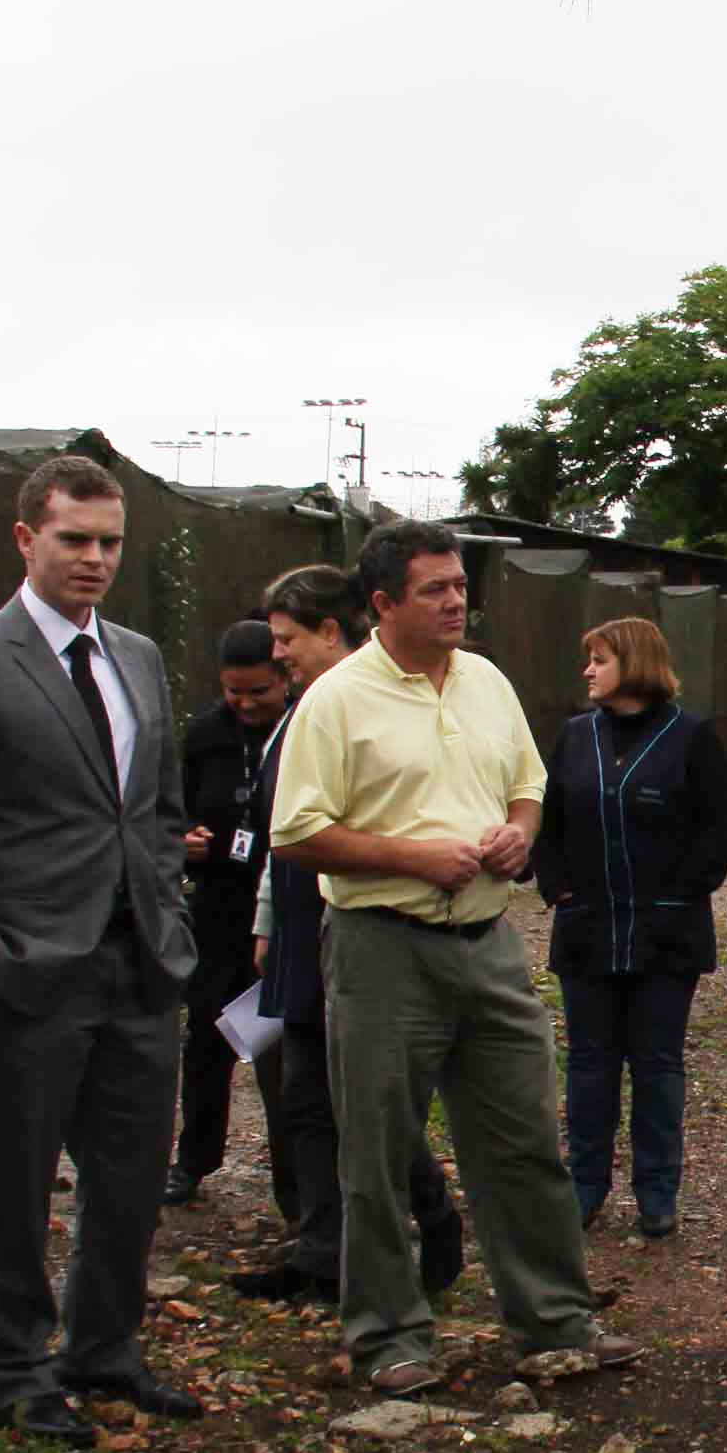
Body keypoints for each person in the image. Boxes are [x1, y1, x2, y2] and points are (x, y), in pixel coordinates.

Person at [268, 520, 637, 1397]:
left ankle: (554, 1321)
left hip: (487, 944)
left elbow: (527, 781)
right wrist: (413, 857)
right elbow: (297, 833)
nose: (456, 602)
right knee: (378, 1148)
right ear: (383, 604)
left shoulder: (485, 683)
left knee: (520, 1139)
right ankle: (391, 1337)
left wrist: (520, 833)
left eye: (461, 586)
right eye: (434, 589)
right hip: (380, 947)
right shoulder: (338, 699)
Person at [0, 455, 200, 1449]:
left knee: (130, 1171)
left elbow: (157, 809)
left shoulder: (135, 656)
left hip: (137, 958)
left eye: (110, 542)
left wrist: (166, 909)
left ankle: (104, 1348)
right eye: (74, 539)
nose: (93, 559)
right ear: (25, 538)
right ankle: (12, 1362)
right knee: (16, 1175)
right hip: (25, 966)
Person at [228, 565, 467, 1305]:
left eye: (289, 639)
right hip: (301, 929)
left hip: (353, 928)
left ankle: (426, 1221)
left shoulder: (362, 711)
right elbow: (281, 831)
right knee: (308, 1097)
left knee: (361, 1097)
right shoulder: (300, 714)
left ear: (333, 631)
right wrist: (270, 917)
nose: (280, 656)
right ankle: (324, 1245)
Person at [534, 616, 727, 1240]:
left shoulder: (692, 737)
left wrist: (682, 891)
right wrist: (558, 885)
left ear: (635, 662)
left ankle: (657, 1192)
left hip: (664, 935)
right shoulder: (574, 738)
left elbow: (718, 825)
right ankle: (584, 1186)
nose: (588, 671)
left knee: (656, 1064)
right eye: (587, 660)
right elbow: (546, 820)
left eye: (599, 659)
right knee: (590, 1064)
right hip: (588, 929)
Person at [167, 621, 290, 1207]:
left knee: (281, 1052)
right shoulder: (205, 734)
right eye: (234, 692)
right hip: (217, 909)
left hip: (280, 911)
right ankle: (195, 1158)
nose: (245, 704)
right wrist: (182, 839)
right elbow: (176, 806)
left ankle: (296, 1177)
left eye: (258, 692)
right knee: (210, 1039)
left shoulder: (302, 732)